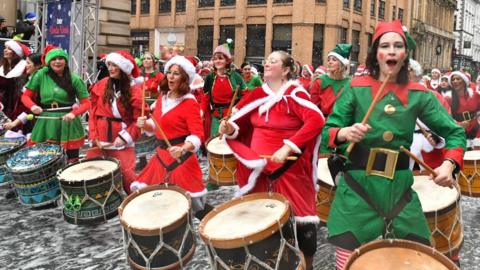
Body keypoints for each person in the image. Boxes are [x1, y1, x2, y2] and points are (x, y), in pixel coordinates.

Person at [321, 20, 465, 269]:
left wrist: (449, 164)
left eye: (397, 46)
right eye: (384, 45)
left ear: (405, 53)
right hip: (357, 186)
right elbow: (327, 132)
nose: (391, 51)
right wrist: (345, 132)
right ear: (376, 53)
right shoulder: (356, 89)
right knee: (347, 259)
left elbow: (454, 133)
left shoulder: (419, 94)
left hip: (399, 188)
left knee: (414, 255)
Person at [219, 51, 325, 270]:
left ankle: (308, 265)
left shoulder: (294, 94)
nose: (267, 63)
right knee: (260, 223)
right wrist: (230, 129)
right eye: (266, 60)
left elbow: (316, 120)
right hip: (258, 171)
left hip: (290, 170)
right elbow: (242, 125)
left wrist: (288, 146)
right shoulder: (256, 94)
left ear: (285, 70)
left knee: (302, 223)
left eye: (273, 61)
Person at [131, 56, 207, 217]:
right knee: (157, 205)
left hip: (181, 160)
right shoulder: (162, 99)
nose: (171, 77)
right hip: (161, 158)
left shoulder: (190, 103)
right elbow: (156, 126)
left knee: (192, 208)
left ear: (185, 78)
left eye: (176, 74)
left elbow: (198, 135)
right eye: (169, 73)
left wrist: (183, 149)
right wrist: (144, 125)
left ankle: (217, 231)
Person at [87, 50, 149, 194]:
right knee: (93, 173)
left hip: (121, 136)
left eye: (115, 65)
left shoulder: (135, 91)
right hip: (100, 137)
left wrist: (125, 137)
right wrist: (93, 135)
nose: (111, 68)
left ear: (124, 68)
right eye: (109, 64)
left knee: (128, 177)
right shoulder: (101, 85)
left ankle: (137, 204)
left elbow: (138, 120)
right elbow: (93, 113)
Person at [21, 46, 90, 162]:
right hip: (45, 121)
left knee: (69, 159)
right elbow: (25, 96)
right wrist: (33, 106)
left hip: (68, 121)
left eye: (60, 58)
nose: (57, 61)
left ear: (66, 61)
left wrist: (74, 114)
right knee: (41, 158)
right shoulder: (41, 75)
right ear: (48, 62)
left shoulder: (75, 79)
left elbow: (86, 103)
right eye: (53, 59)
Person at [3, 52, 42, 132]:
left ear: (38, 66)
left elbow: (30, 109)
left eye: (28, 63)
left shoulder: (41, 84)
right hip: (19, 121)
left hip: (34, 124)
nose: (26, 65)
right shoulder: (22, 79)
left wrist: (15, 123)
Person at [310, 43, 352, 117]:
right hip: (324, 122)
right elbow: (313, 107)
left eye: (334, 60)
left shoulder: (350, 83)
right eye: (328, 59)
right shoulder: (319, 81)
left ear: (342, 63)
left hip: (343, 122)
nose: (330, 62)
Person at [446, 70, 480, 149]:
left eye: (458, 79)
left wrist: (476, 118)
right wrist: (458, 123)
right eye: (453, 79)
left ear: (464, 81)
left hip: (476, 129)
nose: (455, 81)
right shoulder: (448, 98)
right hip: (458, 130)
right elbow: (446, 116)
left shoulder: (475, 95)